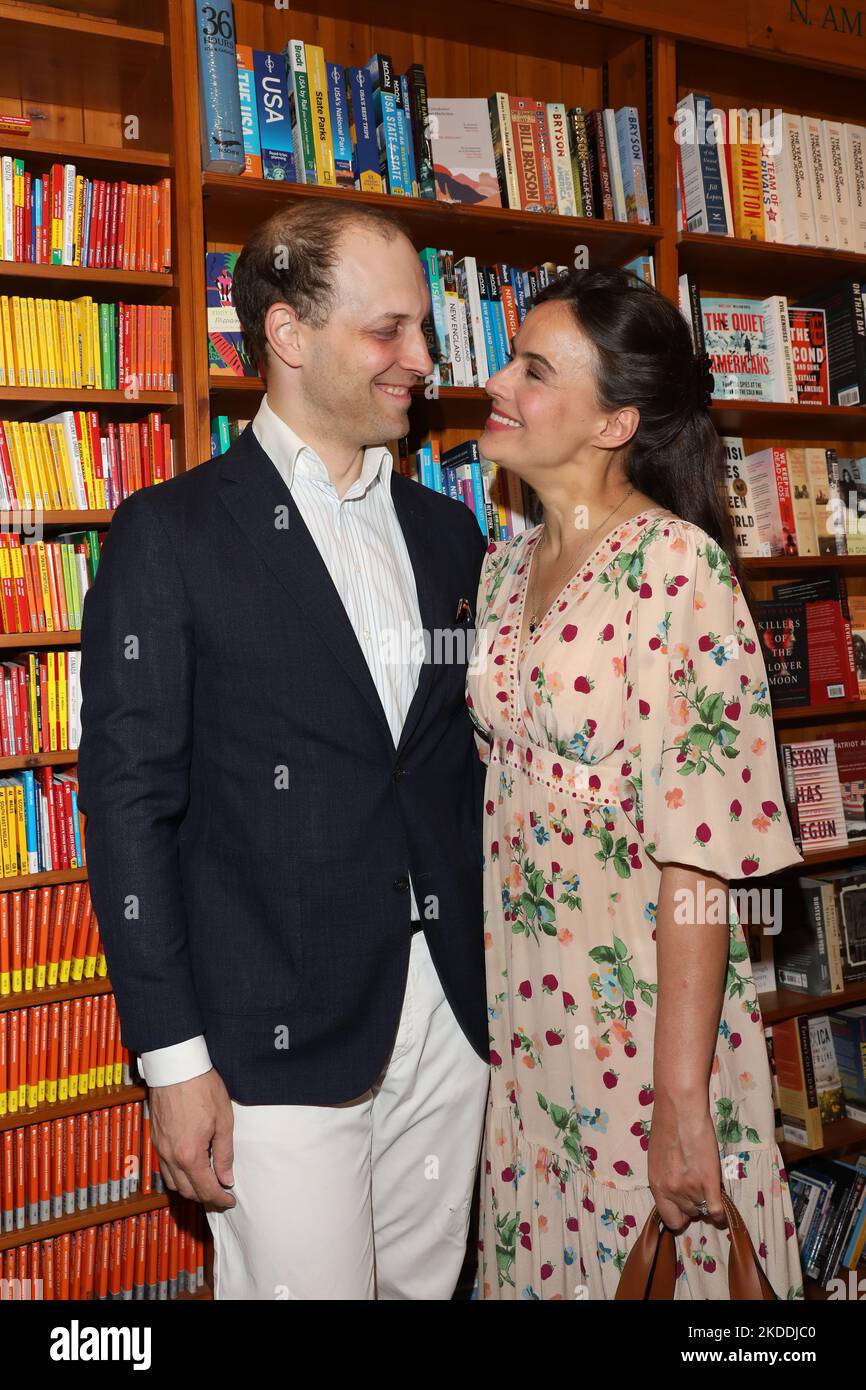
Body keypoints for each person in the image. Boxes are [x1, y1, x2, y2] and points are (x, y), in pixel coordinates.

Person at [77, 200, 490, 1300]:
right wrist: (173, 1063)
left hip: (447, 1023)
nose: (421, 358)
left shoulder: (452, 534)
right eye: (387, 331)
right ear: (288, 335)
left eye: (421, 330)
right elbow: (127, 810)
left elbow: (451, 773)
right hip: (269, 1043)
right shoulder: (167, 534)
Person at [465, 266, 806, 1300]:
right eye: (508, 357)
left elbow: (700, 855)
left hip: (641, 1033)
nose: (495, 379)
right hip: (526, 1027)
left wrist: (681, 1100)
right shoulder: (500, 565)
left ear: (615, 421)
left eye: (532, 368)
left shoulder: (676, 572)